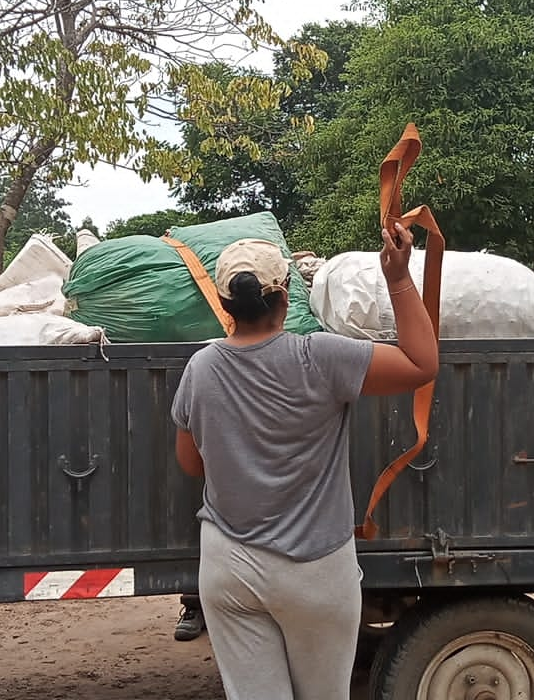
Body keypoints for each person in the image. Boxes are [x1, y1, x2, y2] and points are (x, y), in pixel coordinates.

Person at [171, 225, 438, 700]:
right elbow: (422, 364)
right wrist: (398, 277)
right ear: (287, 294)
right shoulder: (322, 357)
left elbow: (191, 464)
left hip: (229, 566)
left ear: (224, 301)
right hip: (316, 569)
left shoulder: (202, 368)